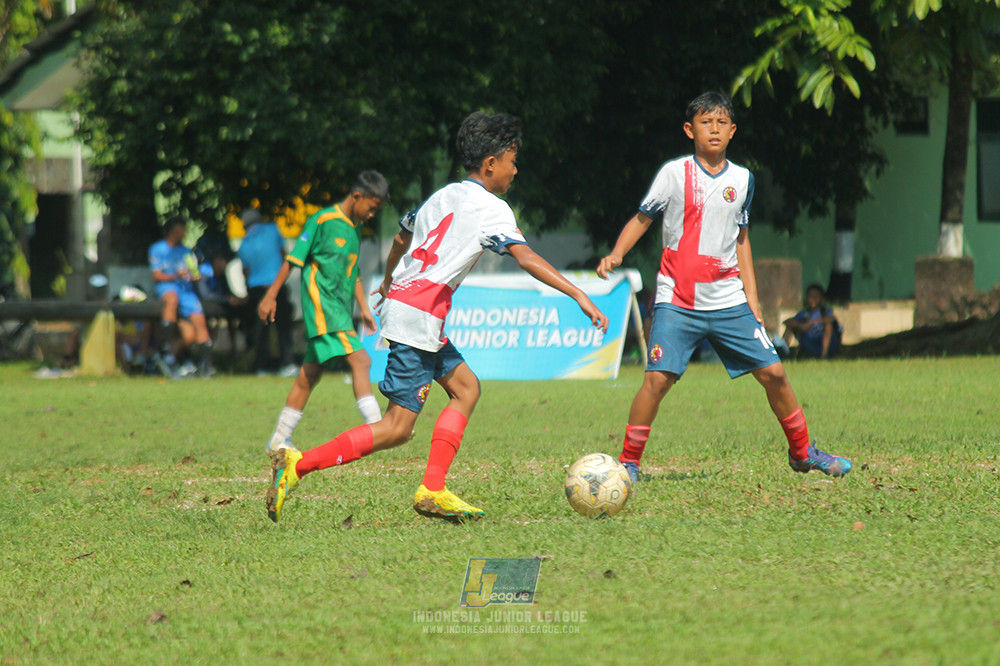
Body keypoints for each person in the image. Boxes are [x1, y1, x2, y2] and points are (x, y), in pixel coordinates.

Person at [265, 111, 609, 523]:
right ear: (491, 163)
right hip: (420, 315)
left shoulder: (442, 196)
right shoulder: (493, 209)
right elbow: (526, 257)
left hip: (411, 307)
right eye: (512, 161)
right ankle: (299, 465)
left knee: (466, 388)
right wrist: (578, 294)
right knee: (397, 428)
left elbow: (400, 238)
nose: (515, 170)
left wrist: (389, 281)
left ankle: (433, 487)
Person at [596, 91, 851, 483]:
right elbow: (643, 218)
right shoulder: (673, 173)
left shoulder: (743, 179)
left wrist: (753, 298)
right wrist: (616, 253)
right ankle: (628, 463)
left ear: (733, 131)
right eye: (705, 122)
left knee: (775, 373)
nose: (713, 129)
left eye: (721, 123)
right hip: (678, 298)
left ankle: (802, 453)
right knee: (657, 379)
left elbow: (741, 239)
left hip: (728, 299)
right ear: (689, 129)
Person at [257, 171, 388, 454]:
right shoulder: (323, 220)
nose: (372, 214)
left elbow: (353, 271)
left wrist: (364, 308)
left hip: (339, 310)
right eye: (372, 207)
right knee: (362, 361)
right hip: (323, 308)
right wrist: (270, 295)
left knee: (309, 375)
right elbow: (293, 259)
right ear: (357, 196)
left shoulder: (355, 227)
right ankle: (378, 431)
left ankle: (279, 438)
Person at [149, 216, 215, 377]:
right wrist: (175, 276)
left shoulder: (186, 251)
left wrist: (196, 275)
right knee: (171, 299)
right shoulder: (158, 249)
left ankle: (206, 366)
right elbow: (157, 275)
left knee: (199, 321)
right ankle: (166, 347)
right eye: (181, 230)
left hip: (186, 289)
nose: (184, 233)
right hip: (168, 286)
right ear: (173, 231)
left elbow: (194, 272)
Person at [238, 208, 296, 376]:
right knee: (283, 327)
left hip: (256, 289)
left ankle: (261, 366)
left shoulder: (243, 244)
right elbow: (284, 256)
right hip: (276, 286)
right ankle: (287, 363)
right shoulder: (272, 229)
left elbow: (246, 271)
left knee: (260, 329)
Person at [781, 283, 842, 359]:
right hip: (810, 341)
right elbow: (787, 322)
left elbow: (831, 319)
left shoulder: (825, 311)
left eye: (816, 296)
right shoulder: (805, 313)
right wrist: (801, 326)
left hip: (825, 342)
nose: (813, 299)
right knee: (791, 326)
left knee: (828, 325)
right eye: (810, 296)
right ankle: (782, 352)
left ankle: (824, 355)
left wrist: (811, 322)